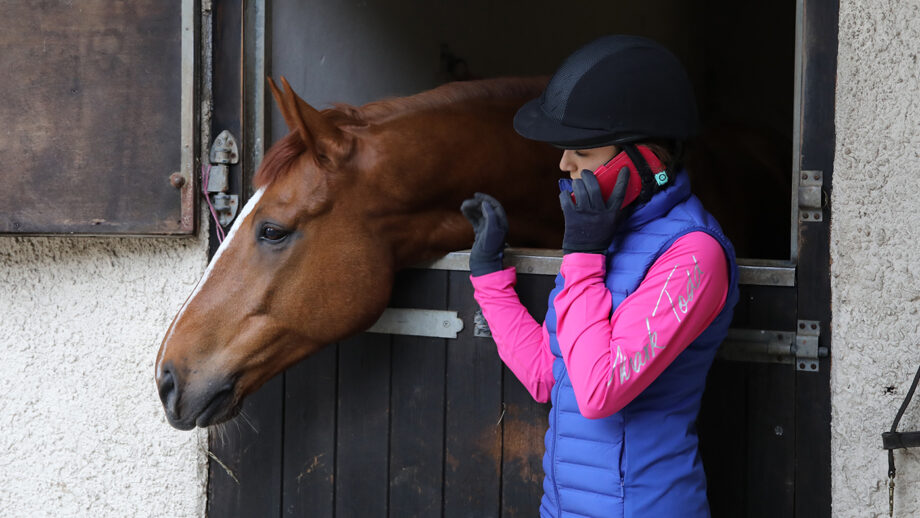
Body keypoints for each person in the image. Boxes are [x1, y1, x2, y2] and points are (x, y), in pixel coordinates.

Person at [461, 35, 739, 518]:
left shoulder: (694, 256)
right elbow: (552, 378)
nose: (564, 164)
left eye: (583, 152)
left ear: (644, 161)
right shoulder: (606, 236)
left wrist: (583, 254)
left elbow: (597, 391)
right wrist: (491, 279)